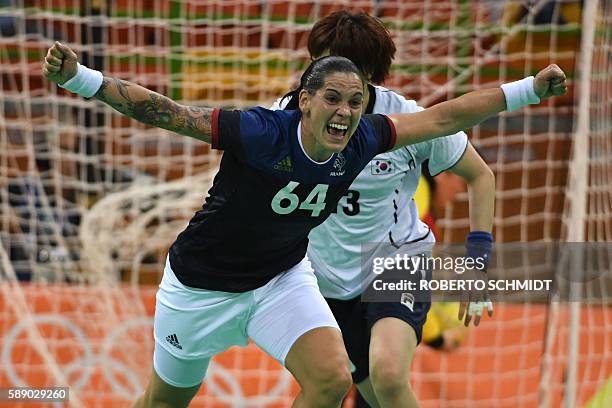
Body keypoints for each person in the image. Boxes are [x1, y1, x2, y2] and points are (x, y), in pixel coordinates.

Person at [42, 38, 566, 407]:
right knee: (165, 399)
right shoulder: (261, 130)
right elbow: (165, 111)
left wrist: (529, 90)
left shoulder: (365, 137)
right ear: (305, 100)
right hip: (201, 285)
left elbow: (446, 117)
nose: (344, 112)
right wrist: (82, 80)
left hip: (282, 281)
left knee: (333, 378)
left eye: (355, 102)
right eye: (332, 99)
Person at [270, 11, 539, 408]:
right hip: (323, 277)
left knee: (389, 374)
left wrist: (478, 263)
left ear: (367, 74)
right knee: (354, 394)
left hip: (396, 261)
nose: (323, 74)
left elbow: (481, 176)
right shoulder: (289, 115)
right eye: (318, 65)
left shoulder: (408, 119)